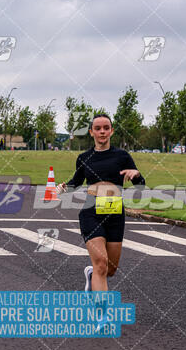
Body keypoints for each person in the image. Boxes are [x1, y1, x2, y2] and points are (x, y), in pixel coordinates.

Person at [57, 114, 145, 292]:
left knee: (110, 270)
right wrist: (64, 187)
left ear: (112, 131)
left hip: (115, 213)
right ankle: (101, 317)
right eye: (98, 128)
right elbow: (76, 183)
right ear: (91, 132)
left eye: (106, 128)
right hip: (91, 212)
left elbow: (140, 185)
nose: (102, 131)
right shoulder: (84, 157)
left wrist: (136, 175)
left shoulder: (122, 156)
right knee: (101, 264)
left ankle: (91, 275)